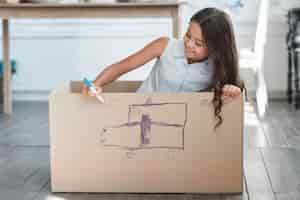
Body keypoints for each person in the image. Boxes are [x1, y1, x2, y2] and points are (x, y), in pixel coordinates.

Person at [82, 7, 245, 128]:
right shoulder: (165, 46)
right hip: (140, 116)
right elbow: (121, 67)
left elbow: (229, 97)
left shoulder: (217, 68)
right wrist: (97, 83)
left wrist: (232, 92)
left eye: (198, 43)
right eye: (188, 35)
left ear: (216, 47)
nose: (188, 44)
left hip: (179, 126)